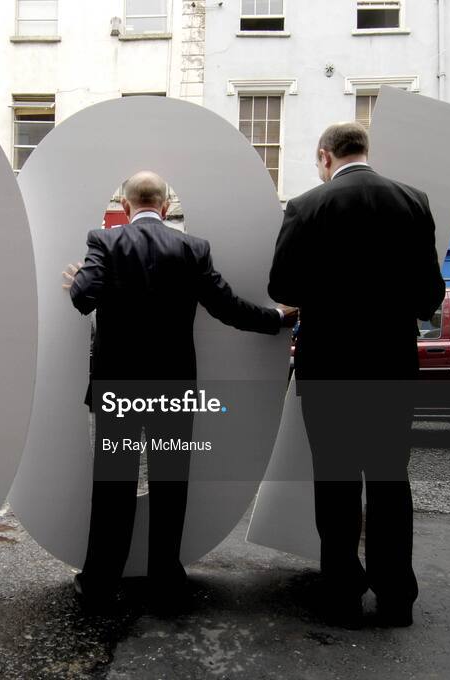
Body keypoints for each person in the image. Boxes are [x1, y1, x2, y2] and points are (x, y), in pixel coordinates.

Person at [63, 170, 295, 606]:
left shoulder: (105, 241)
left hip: (120, 389)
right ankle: (166, 579)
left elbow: (82, 298)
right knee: (171, 482)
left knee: (114, 484)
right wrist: (278, 319)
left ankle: (99, 583)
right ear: (166, 207)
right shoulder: (193, 248)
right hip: (172, 386)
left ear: (126, 206)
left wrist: (77, 280)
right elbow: (227, 307)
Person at [268, 123, 445, 628]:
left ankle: (343, 594)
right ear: (365, 151)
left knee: (337, 480)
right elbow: (430, 295)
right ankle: (395, 599)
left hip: (331, 365)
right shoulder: (414, 201)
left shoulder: (306, 206)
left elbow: (281, 282)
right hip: (391, 363)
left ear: (326, 156)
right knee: (391, 480)